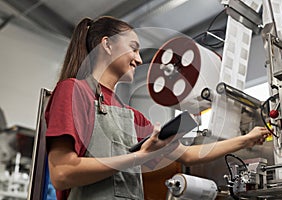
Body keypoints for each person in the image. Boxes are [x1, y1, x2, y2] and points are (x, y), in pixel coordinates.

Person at [45, 16, 270, 200]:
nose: (139, 59)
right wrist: (138, 157)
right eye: (133, 48)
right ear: (107, 44)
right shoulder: (73, 91)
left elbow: (189, 155)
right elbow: (63, 172)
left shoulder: (132, 116)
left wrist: (247, 139)